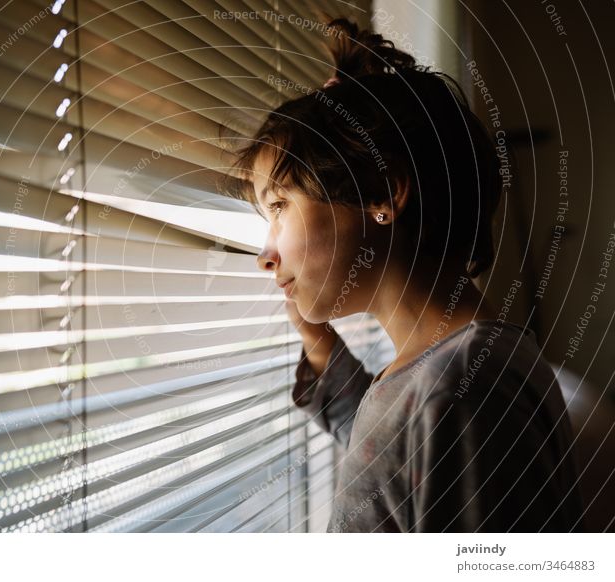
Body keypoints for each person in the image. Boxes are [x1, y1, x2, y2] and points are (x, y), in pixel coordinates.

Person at [222, 17, 587, 532]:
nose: (266, 254)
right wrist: (320, 345)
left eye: (280, 205)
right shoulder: (451, 373)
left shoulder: (463, 389)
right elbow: (388, 464)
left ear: (382, 194)